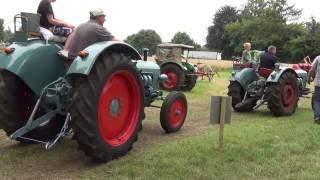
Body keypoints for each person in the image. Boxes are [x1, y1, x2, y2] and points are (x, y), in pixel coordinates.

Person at [308, 56, 320, 123]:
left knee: (317, 101)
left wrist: (309, 77)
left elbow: (312, 70)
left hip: (318, 84)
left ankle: (317, 117)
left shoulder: (318, 58)